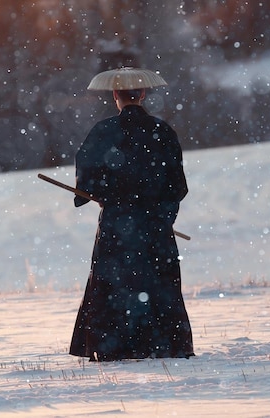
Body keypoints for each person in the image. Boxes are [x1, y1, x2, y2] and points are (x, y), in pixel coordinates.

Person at [69, 74, 194, 361]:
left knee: (115, 285)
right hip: (155, 226)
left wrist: (97, 193)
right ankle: (163, 344)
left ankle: (114, 346)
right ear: (144, 94)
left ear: (116, 96)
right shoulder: (162, 131)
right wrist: (162, 214)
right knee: (158, 283)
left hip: (116, 225)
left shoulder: (103, 132)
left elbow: (85, 181)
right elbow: (178, 185)